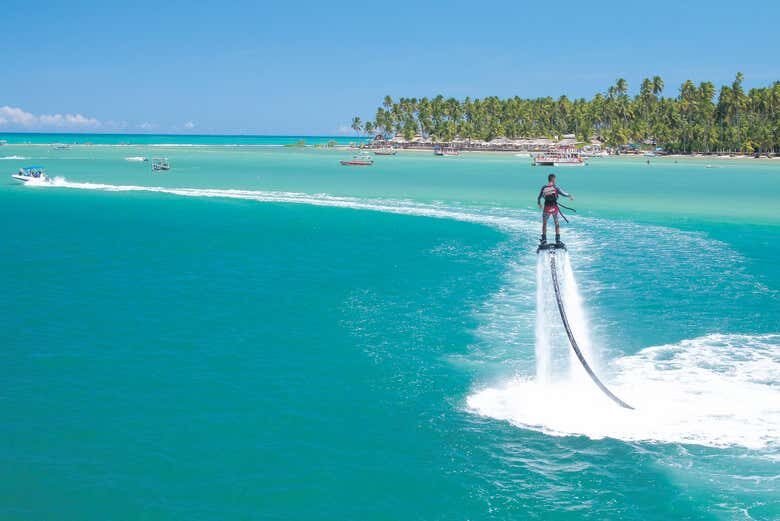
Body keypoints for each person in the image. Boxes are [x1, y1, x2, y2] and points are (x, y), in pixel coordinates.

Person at [537, 173, 574, 246]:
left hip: (546, 208)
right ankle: (558, 241)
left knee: (544, 224)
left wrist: (539, 204)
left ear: (548, 179)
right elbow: (563, 194)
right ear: (553, 179)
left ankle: (544, 240)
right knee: (556, 223)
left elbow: (539, 197)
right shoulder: (556, 187)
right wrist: (569, 195)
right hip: (554, 208)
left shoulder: (544, 187)